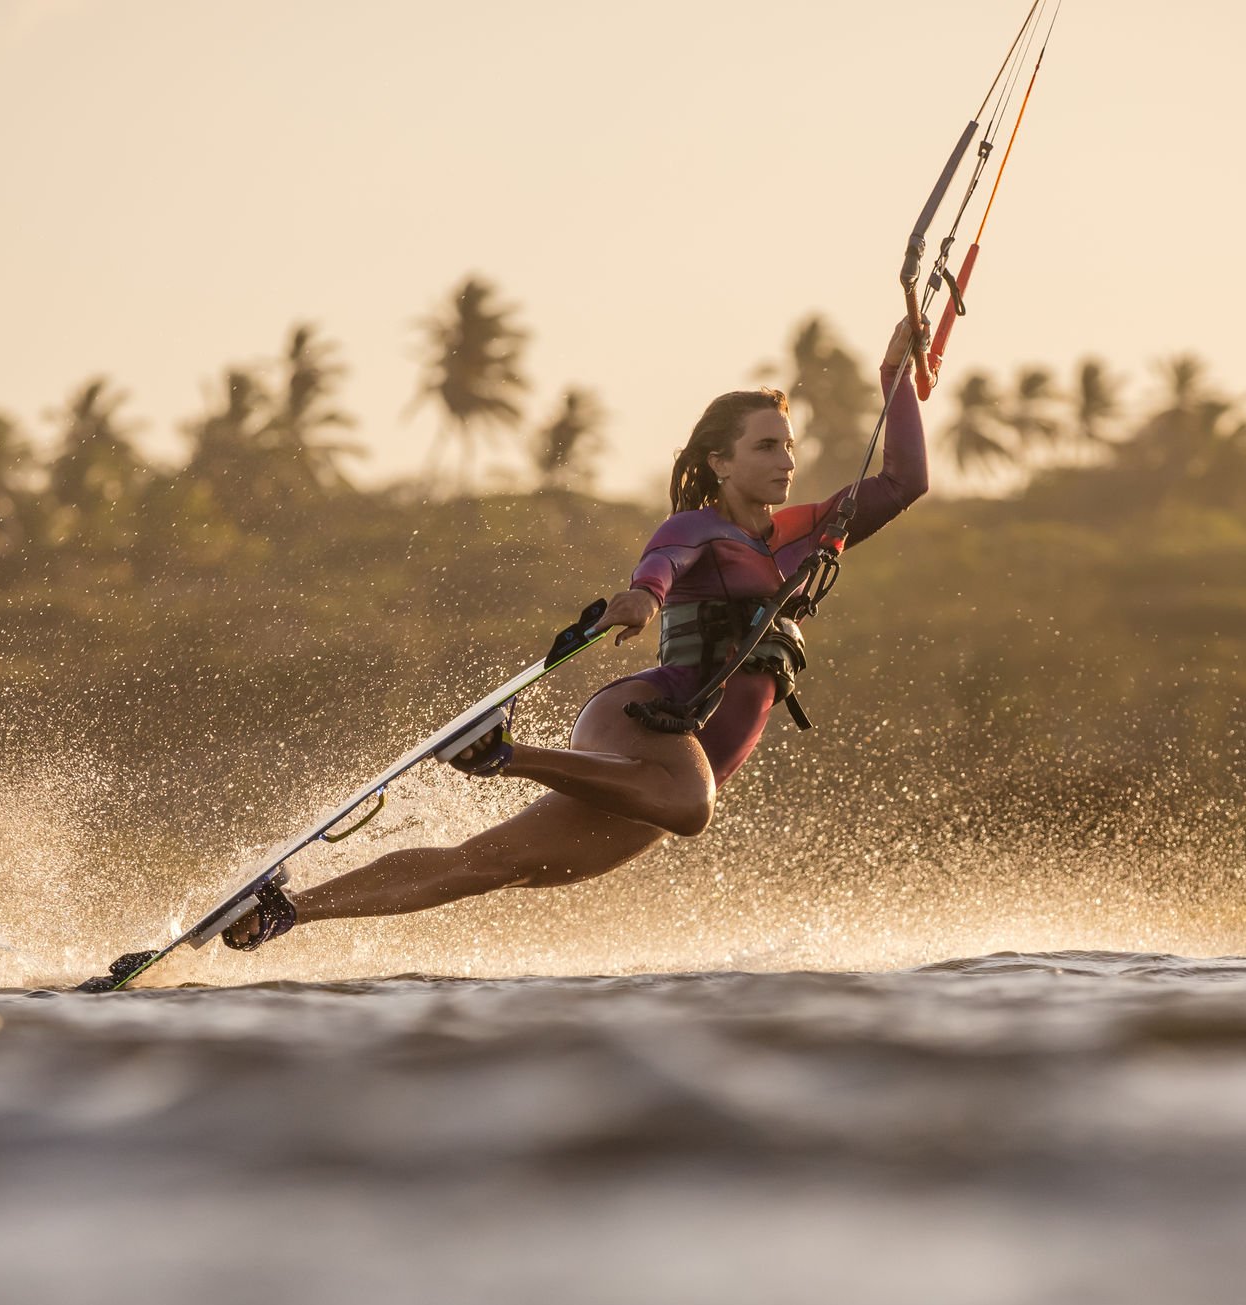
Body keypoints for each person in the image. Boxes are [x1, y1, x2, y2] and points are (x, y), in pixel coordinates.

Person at [221, 317, 931, 949]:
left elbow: (905, 482)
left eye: (789, 446)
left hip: (653, 785)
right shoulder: (697, 528)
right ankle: (503, 755)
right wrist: (641, 601)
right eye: (766, 446)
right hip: (647, 726)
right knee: (692, 807)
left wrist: (895, 379)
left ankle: (284, 911)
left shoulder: (809, 535)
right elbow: (660, 566)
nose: (786, 460)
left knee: (494, 866)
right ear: (720, 462)